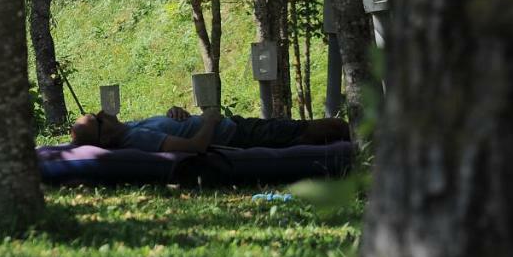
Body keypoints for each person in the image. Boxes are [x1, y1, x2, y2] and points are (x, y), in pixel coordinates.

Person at [69, 105, 350, 153]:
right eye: (97, 118)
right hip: (240, 136)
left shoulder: (131, 127)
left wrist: (174, 112)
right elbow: (196, 147)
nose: (103, 112)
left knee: (330, 128)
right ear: (104, 137)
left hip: (236, 126)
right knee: (334, 127)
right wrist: (210, 121)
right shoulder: (137, 138)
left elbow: (176, 129)